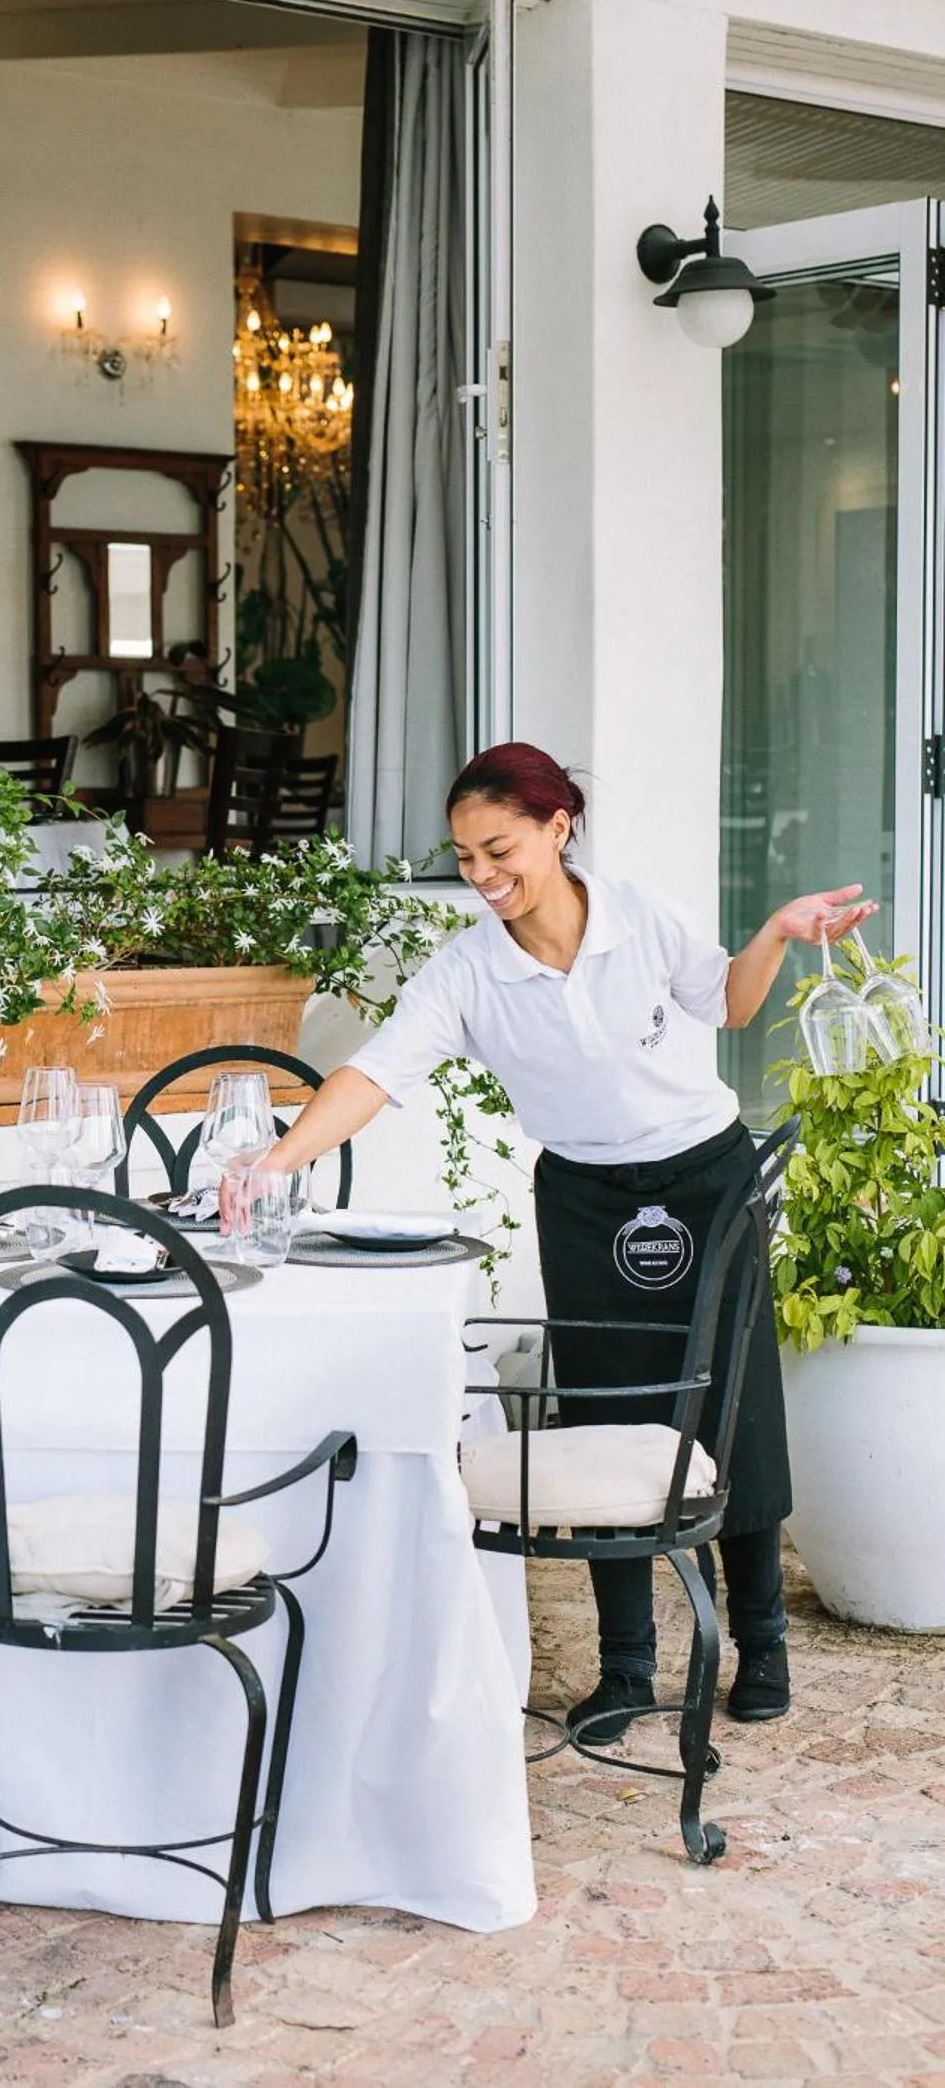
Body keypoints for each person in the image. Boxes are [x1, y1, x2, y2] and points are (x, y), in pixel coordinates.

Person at [230, 741, 874, 1742]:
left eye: (499, 850)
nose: (482, 877)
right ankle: (625, 1670)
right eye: (465, 858)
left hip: (708, 1179)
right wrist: (276, 1163)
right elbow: (375, 1074)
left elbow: (730, 1003)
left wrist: (779, 932)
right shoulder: (469, 972)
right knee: (602, 1420)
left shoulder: (638, 917)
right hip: (583, 1199)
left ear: (556, 828)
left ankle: (762, 1643)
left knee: (731, 1408)